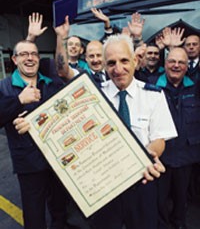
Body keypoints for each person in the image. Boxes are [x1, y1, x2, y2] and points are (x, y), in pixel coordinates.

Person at [88, 34, 177, 229]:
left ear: (135, 61)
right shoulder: (92, 96)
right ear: (103, 65)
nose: (118, 69)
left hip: (142, 181)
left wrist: (148, 155)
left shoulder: (153, 95)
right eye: (111, 63)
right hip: (104, 184)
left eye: (124, 61)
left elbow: (159, 139)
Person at [0, 40, 67, 229]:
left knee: (59, 210)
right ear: (14, 59)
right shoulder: (4, 87)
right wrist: (19, 100)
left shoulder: (51, 83)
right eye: (23, 54)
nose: (30, 58)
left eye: (34, 54)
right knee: (34, 215)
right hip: (29, 165)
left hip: (56, 159)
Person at [151, 47, 200, 229]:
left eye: (181, 62)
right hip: (161, 155)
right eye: (172, 61)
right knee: (159, 199)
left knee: (182, 198)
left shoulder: (196, 86)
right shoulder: (152, 86)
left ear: (187, 67)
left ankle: (179, 224)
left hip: (186, 155)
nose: (176, 65)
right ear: (164, 65)